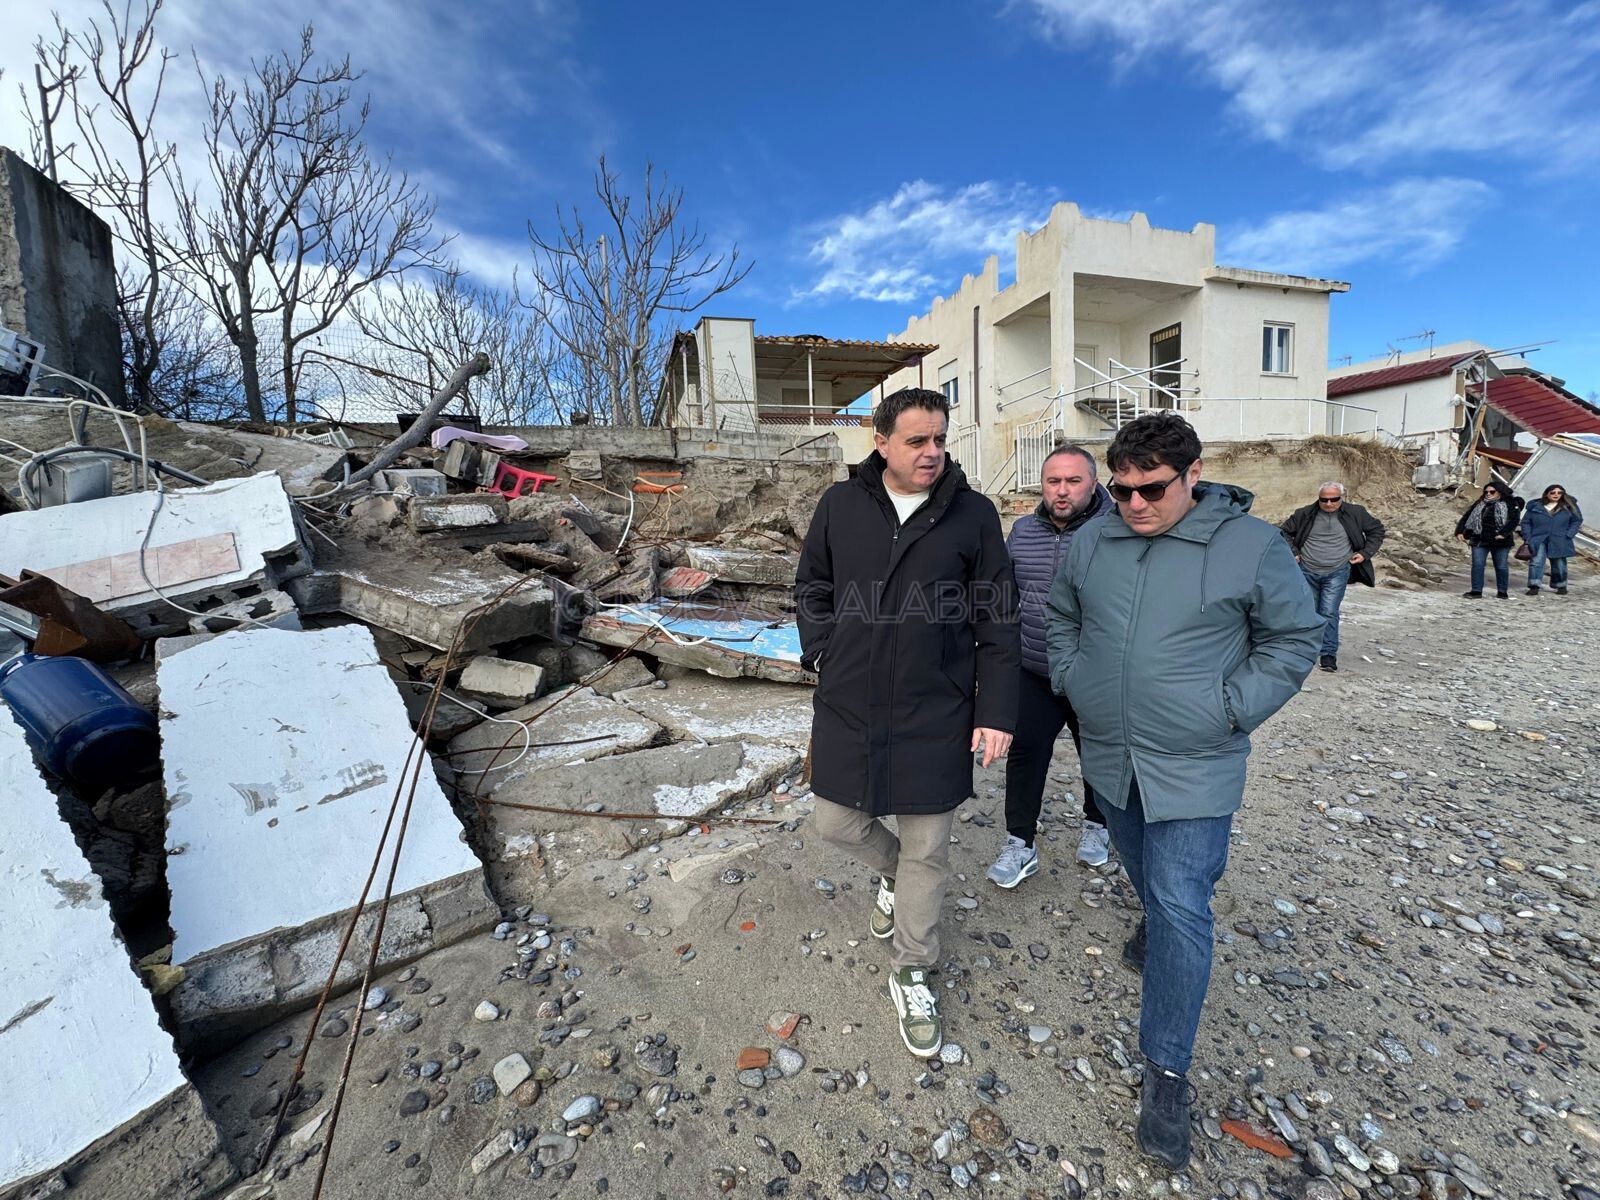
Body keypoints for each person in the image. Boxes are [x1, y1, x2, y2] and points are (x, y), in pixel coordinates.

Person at [1045, 412, 1321, 1169]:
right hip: (1111, 756)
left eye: (1151, 490)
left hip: (1197, 760)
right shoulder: (1095, 539)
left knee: (1179, 901)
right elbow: (1062, 613)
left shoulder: (1252, 545)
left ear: (1194, 475)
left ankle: (1165, 1073)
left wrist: (1230, 708)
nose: (1134, 505)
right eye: (1121, 489)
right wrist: (1073, 678)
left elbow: (1294, 638)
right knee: (1151, 879)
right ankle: (1158, 928)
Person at [795, 386, 1019, 1059]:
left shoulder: (973, 515)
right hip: (850, 700)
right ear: (881, 442)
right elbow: (812, 586)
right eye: (918, 440)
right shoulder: (840, 506)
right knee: (833, 821)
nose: (932, 452)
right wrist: (822, 648)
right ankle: (892, 875)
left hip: (936, 706)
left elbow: (998, 619)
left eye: (940, 439)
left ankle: (913, 967)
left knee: (930, 848)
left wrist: (996, 711)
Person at [988, 445, 1113, 888]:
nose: (1062, 491)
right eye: (1053, 481)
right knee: (1024, 754)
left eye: (1073, 481)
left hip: (1092, 672)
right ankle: (1020, 842)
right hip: (1033, 668)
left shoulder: (1117, 529)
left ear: (1094, 482)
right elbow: (1001, 592)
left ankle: (1098, 825)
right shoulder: (1023, 531)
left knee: (1098, 755)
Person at [1277, 482, 1386, 672]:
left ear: (1341, 498)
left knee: (1328, 611)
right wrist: (1293, 551)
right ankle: (1304, 651)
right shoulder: (1305, 514)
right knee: (1307, 611)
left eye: (1334, 499)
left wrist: (1365, 553)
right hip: (1306, 570)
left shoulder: (1356, 513)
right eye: (1324, 500)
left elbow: (1377, 530)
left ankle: (1328, 654)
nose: (1329, 503)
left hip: (1337, 571)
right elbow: (1284, 531)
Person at [1455, 481, 1519, 599]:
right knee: (1477, 565)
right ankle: (1476, 591)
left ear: (1500, 492)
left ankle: (1502, 591)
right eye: (1486, 492)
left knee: (1501, 566)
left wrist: (1503, 534)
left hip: (1500, 541)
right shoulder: (1480, 503)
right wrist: (1459, 531)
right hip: (1479, 539)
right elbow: (1467, 517)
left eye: (1492, 492)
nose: (1488, 494)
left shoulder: (1510, 503)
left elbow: (1514, 520)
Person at [1521, 483, 1583, 596]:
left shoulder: (1568, 506)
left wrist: (1569, 534)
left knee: (1559, 562)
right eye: (1553, 492)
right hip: (1538, 538)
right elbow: (1526, 522)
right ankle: (1534, 585)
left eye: (1559, 493)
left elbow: (1577, 520)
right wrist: (1527, 537)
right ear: (1547, 494)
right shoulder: (1535, 506)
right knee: (1536, 562)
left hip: (1560, 538)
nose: (1556, 495)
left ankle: (1561, 585)